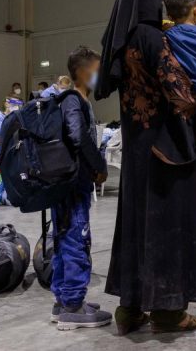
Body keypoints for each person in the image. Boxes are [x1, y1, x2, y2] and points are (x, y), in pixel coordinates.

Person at [97, 0, 196, 335]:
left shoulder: (122, 42)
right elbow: (179, 92)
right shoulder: (152, 38)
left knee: (136, 228)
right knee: (167, 228)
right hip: (165, 154)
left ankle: (129, 310)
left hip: (135, 152)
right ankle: (168, 313)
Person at [50, 46, 111, 331]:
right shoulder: (74, 100)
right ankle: (73, 306)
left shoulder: (72, 100)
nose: (101, 75)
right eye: (98, 70)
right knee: (76, 239)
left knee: (64, 238)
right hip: (74, 184)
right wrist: (99, 165)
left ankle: (62, 301)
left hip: (65, 184)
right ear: (86, 72)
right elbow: (77, 137)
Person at [0, 95, 23, 163]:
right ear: (6, 104)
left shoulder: (18, 118)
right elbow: (2, 133)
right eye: (14, 104)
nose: (17, 107)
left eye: (19, 105)